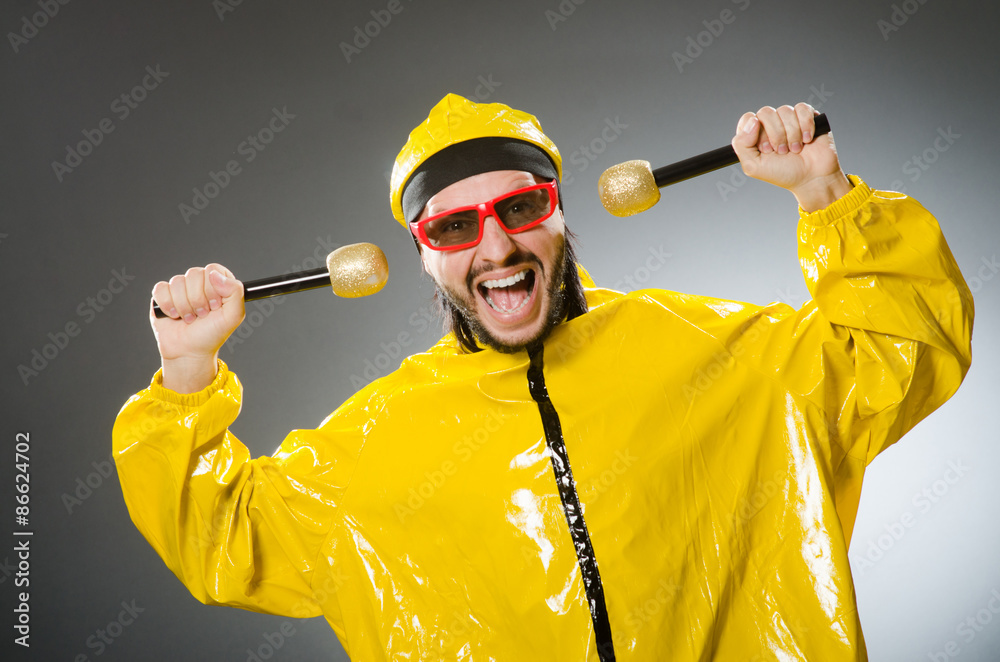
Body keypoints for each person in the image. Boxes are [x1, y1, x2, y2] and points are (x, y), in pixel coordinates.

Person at [113, 94, 974, 660]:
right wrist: (187, 372)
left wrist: (824, 193)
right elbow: (221, 539)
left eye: (519, 209)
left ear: (556, 212)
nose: (496, 248)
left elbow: (904, 349)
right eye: (454, 228)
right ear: (422, 255)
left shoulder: (721, 354)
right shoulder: (375, 444)